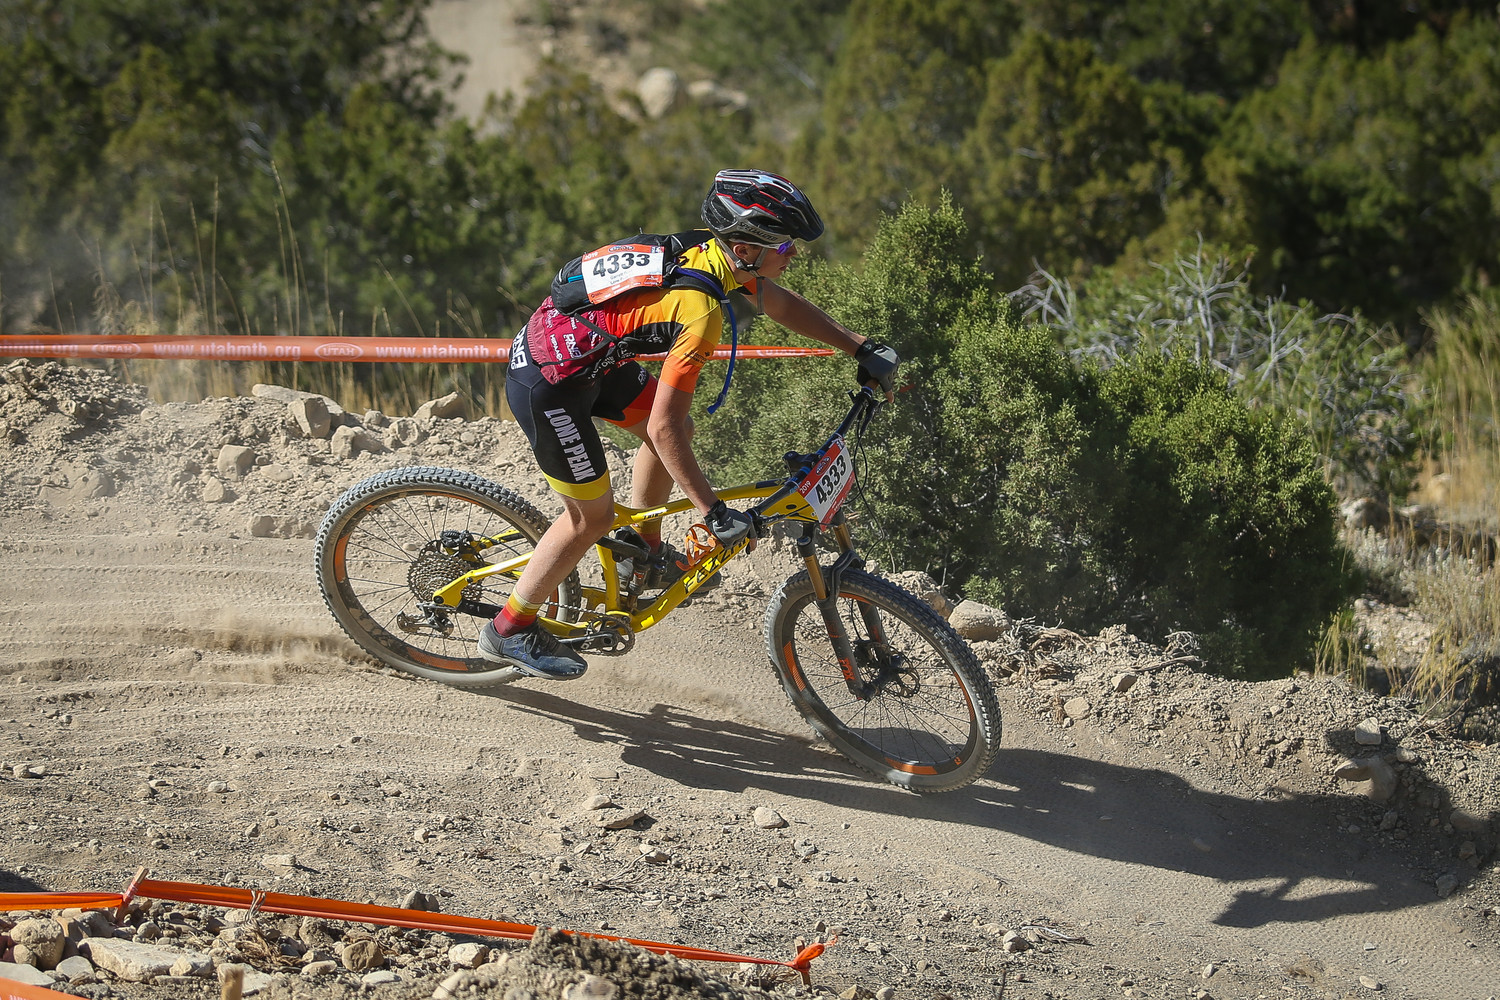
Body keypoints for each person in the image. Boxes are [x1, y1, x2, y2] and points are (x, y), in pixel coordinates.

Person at [481, 169, 900, 679]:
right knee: (591, 518)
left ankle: (643, 549)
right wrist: (713, 512)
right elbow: (665, 428)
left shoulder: (710, 251)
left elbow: (775, 301)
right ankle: (509, 629)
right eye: (785, 246)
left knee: (675, 435)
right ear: (745, 248)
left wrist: (859, 347)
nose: (793, 255)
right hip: (550, 384)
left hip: (585, 352)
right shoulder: (701, 313)